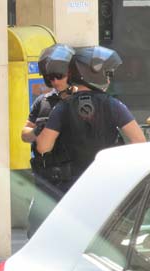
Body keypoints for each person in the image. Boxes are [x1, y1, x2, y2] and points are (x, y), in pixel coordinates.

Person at [37, 46, 146, 188]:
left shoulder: (62, 107)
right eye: (107, 74)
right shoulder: (113, 104)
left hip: (71, 188)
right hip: (107, 182)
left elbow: (43, 147)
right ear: (92, 73)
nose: (108, 79)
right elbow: (139, 140)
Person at [21, 44, 75, 238]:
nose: (54, 81)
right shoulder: (43, 102)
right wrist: (37, 131)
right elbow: (24, 133)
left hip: (71, 180)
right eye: (50, 78)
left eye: (59, 76)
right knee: (36, 231)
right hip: (45, 179)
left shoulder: (80, 101)